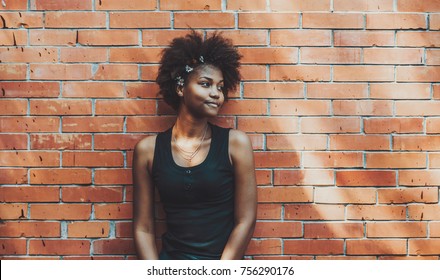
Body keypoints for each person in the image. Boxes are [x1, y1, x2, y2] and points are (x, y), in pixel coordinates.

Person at [132, 31, 257, 260]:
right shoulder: (148, 151)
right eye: (205, 84)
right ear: (180, 89)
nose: (216, 94)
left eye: (220, 87)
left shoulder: (235, 144)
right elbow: (143, 228)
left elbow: (245, 221)